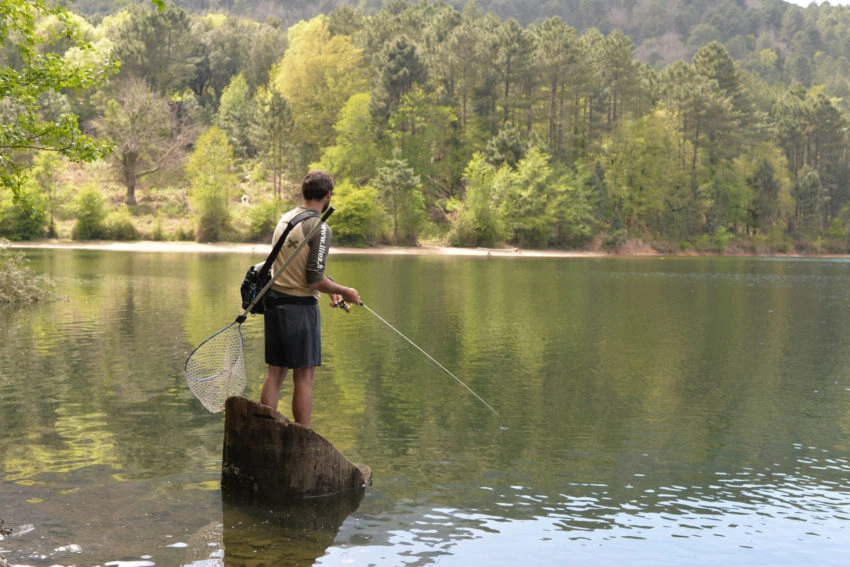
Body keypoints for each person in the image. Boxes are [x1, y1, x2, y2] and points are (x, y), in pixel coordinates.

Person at [259, 170, 361, 428]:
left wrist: (332, 286)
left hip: (274, 303)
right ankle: (303, 437)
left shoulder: (286, 219)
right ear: (328, 195)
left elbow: (297, 264)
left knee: (275, 372)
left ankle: (265, 429)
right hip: (300, 308)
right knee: (304, 377)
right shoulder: (321, 227)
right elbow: (314, 279)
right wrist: (347, 291)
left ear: (303, 192)